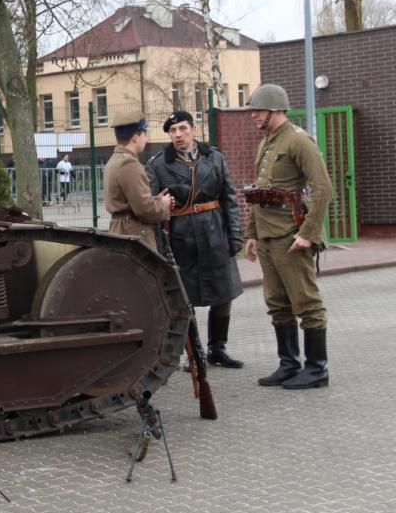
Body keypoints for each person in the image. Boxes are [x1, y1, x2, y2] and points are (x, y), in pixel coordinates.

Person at [241, 84, 333, 389]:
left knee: (306, 302)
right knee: (277, 303)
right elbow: (259, 192)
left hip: (291, 236)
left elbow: (323, 189)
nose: (254, 115)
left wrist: (307, 234)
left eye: (258, 110)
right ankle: (289, 364)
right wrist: (252, 234)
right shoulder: (266, 142)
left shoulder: (298, 141)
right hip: (267, 235)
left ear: (276, 109)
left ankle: (317, 368)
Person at [146, 110, 244, 368]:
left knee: (224, 293)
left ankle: (218, 349)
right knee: (185, 297)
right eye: (172, 131)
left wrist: (235, 234)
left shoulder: (214, 157)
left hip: (215, 231)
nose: (177, 135)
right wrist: (158, 247)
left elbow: (230, 199)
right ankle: (194, 352)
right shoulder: (158, 164)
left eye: (182, 129)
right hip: (182, 236)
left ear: (194, 129)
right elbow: (153, 209)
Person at [103, 111, 172, 251]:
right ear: (135, 137)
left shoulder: (115, 160)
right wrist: (164, 205)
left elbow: (129, 201)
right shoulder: (129, 164)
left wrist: (155, 199)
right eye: (144, 134)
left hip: (121, 230)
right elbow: (145, 210)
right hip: (134, 234)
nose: (146, 139)